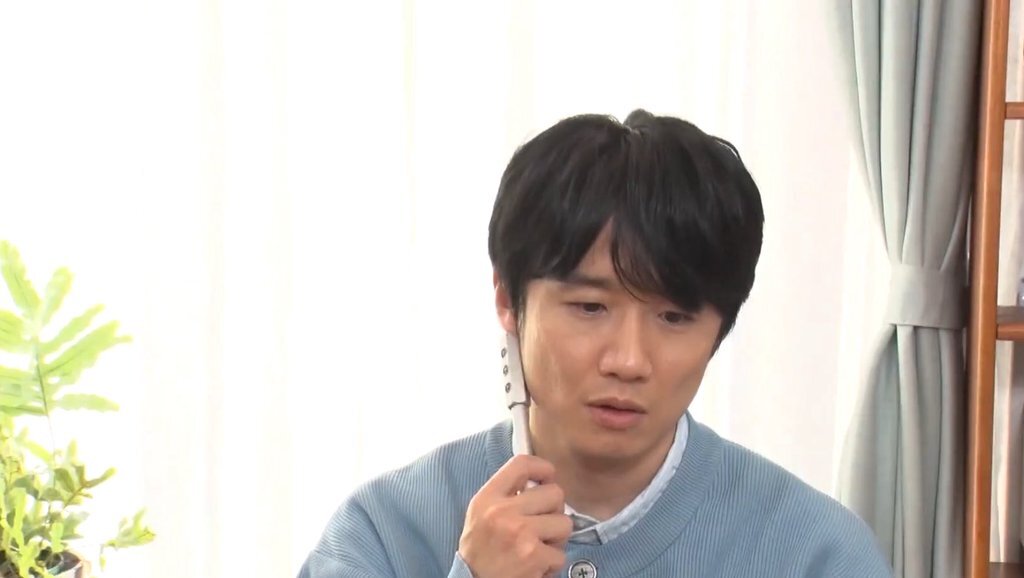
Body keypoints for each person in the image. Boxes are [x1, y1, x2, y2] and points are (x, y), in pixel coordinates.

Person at [297, 110, 891, 578]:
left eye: (674, 317)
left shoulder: (817, 554)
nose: (628, 360)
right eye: (590, 307)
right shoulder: (383, 533)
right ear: (508, 300)